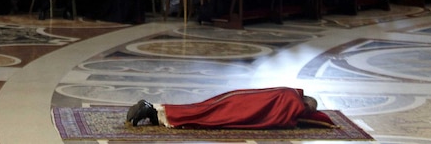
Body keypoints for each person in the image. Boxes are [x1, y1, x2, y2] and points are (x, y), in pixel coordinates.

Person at [126, 88, 320, 130]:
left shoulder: (288, 91)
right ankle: (151, 111)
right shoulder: (293, 100)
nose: (308, 113)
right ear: (305, 102)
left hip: (239, 98)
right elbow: (281, 118)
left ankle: (154, 111)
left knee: (201, 108)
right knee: (205, 115)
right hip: (243, 109)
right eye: (309, 109)